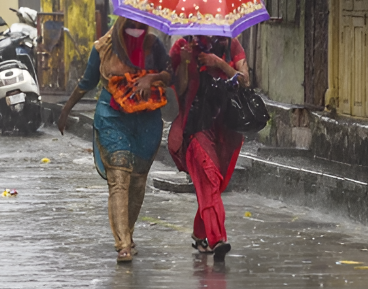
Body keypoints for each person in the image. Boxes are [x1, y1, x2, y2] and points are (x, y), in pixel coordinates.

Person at [57, 17, 172, 263]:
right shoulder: (103, 48)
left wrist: (151, 79)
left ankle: (127, 233)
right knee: (119, 178)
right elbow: (86, 83)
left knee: (138, 182)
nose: (136, 31)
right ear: (121, 23)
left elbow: (170, 75)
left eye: (141, 26)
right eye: (131, 25)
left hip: (147, 120)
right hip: (113, 117)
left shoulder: (154, 45)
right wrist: (66, 110)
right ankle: (123, 245)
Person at [167, 35, 249, 262]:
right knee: (209, 179)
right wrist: (185, 61)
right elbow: (179, 88)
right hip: (196, 127)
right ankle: (217, 239)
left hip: (227, 131)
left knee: (215, 185)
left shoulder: (232, 46)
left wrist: (220, 64)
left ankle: (199, 233)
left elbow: (245, 82)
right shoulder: (183, 47)